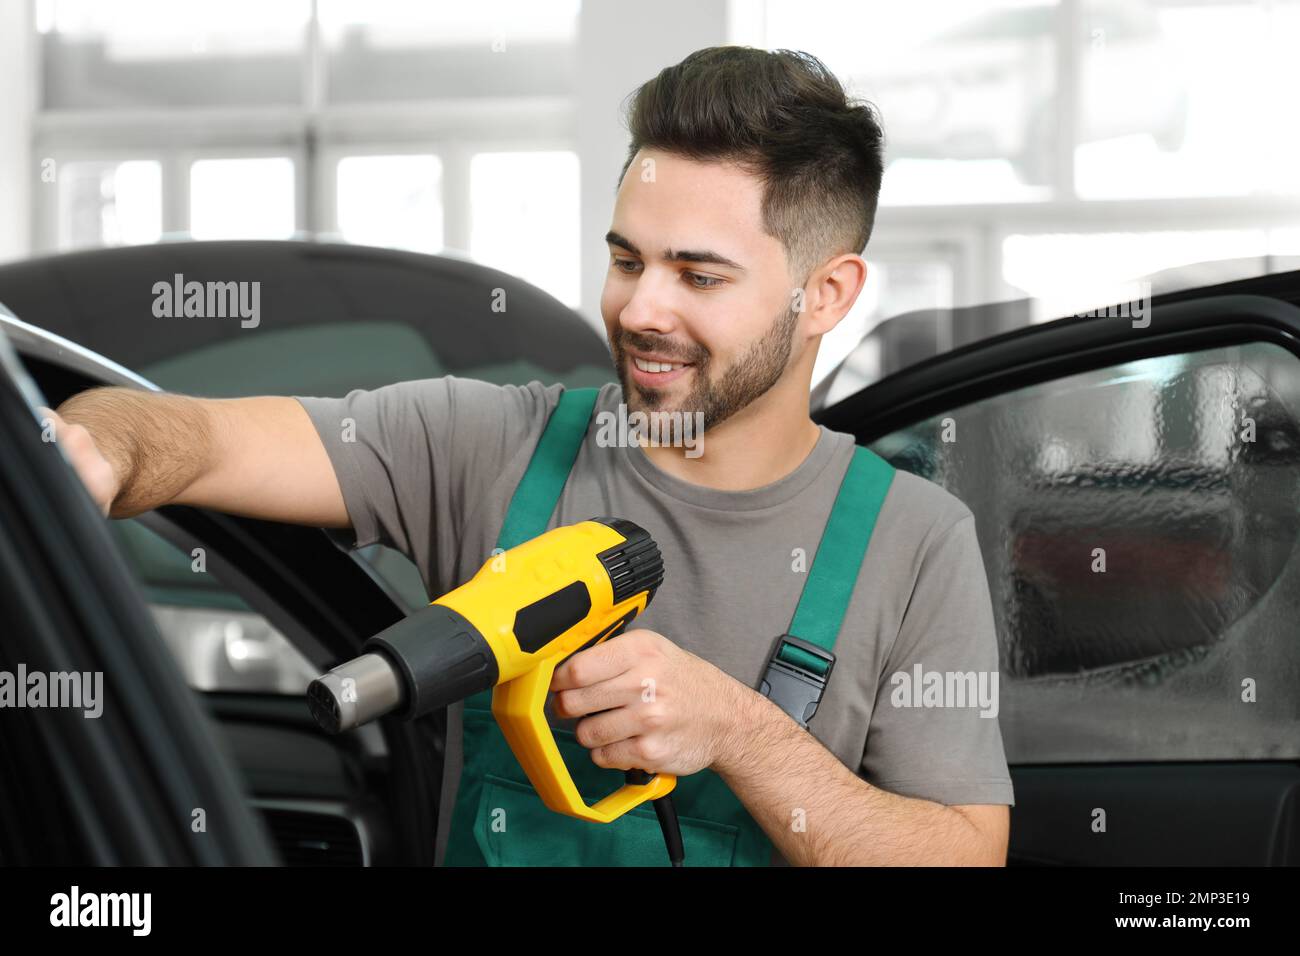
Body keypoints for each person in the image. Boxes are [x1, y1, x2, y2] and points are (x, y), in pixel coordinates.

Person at [46, 46, 1012, 866]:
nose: (640, 309)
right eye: (627, 259)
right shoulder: (484, 446)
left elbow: (964, 855)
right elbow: (194, 437)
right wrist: (91, 445)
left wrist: (738, 732)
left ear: (829, 295)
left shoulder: (915, 541)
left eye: (698, 275)